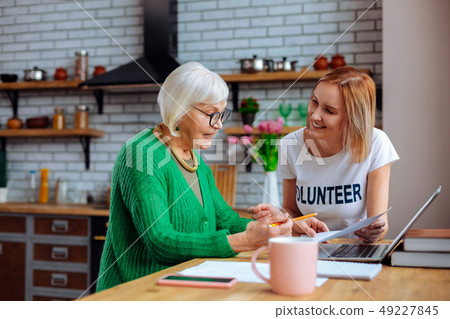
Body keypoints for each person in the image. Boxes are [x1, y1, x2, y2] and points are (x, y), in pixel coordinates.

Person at [97, 62, 315, 292]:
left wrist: (282, 226)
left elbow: (227, 222)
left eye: (221, 114)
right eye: (211, 114)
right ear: (179, 110)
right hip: (134, 295)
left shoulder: (197, 161)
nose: (219, 124)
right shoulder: (142, 152)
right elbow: (160, 241)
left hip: (181, 290)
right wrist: (246, 241)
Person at [255, 66, 399, 243]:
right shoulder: (290, 145)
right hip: (308, 248)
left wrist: (375, 232)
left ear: (353, 118)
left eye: (329, 111)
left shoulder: (376, 143)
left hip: (355, 250)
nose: (315, 116)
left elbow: (380, 222)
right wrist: (282, 220)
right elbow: (291, 210)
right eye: (314, 102)